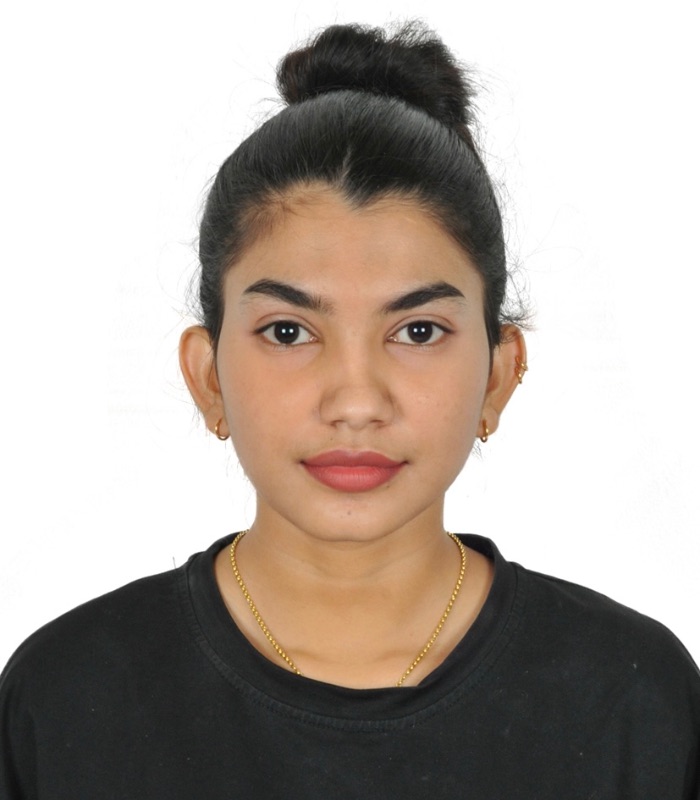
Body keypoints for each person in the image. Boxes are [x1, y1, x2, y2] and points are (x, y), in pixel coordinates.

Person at [1, 21, 698, 799]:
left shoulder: (634, 701)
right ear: (207, 377)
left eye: (418, 331)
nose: (357, 402)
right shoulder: (65, 699)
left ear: (500, 376)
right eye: (289, 332)